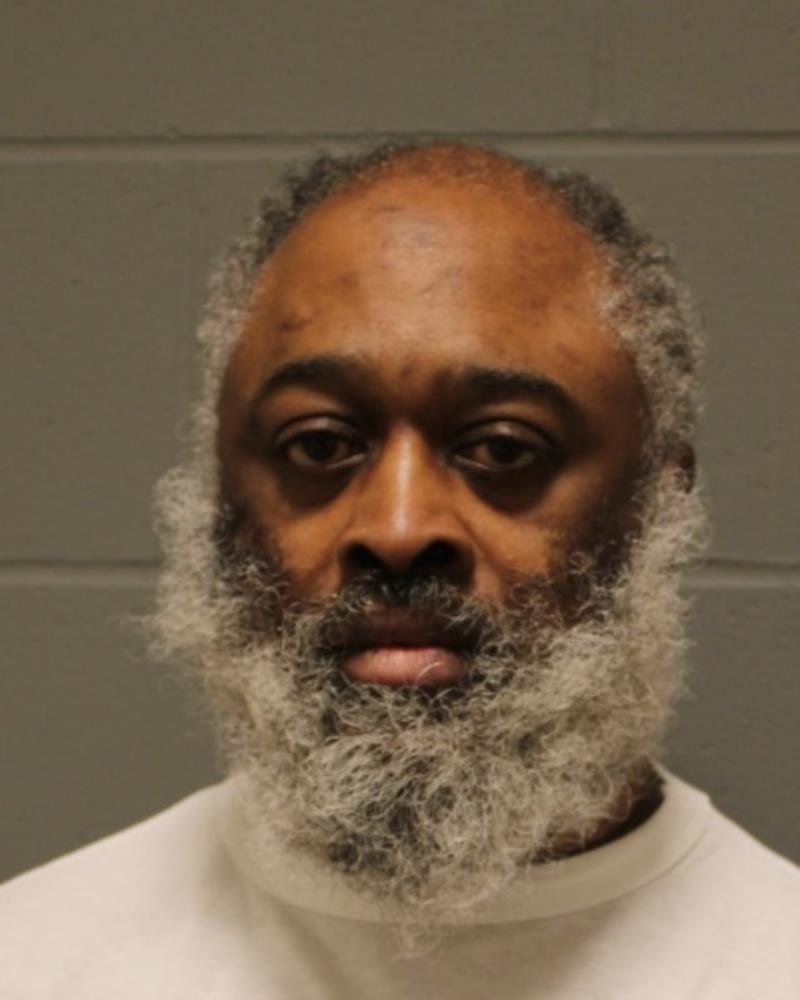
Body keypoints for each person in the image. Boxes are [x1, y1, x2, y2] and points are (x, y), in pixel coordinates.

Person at [1, 141, 797, 999]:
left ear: (659, 502)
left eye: (504, 448)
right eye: (318, 445)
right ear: (217, 493)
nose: (399, 529)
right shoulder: (34, 961)